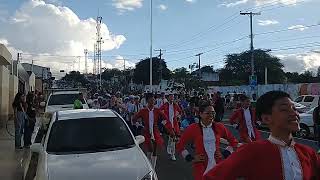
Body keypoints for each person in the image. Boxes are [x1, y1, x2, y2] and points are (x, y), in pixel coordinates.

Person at [204, 91, 320, 180]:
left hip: (254, 133)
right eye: (284, 109)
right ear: (266, 118)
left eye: (294, 108)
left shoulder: (309, 154)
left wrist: (256, 124)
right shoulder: (251, 151)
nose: (294, 113)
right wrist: (238, 127)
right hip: (245, 133)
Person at [176, 101, 239, 180]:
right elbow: (180, 144)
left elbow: (233, 141)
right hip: (201, 166)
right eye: (208, 113)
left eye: (213, 113)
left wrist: (225, 153)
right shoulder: (193, 128)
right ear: (201, 114)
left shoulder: (219, 127)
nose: (211, 115)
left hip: (218, 165)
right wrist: (190, 158)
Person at [132, 93, 175, 169]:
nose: (153, 101)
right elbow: (134, 119)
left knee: (154, 150)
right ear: (147, 100)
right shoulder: (143, 110)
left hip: (155, 132)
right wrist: (138, 124)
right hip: (146, 131)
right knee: (150, 149)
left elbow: (165, 119)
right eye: (151, 99)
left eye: (154, 99)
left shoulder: (157, 110)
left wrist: (167, 128)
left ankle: (153, 168)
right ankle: (148, 164)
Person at [159, 93, 182, 161]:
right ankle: (171, 151)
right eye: (171, 97)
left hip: (174, 123)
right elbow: (159, 111)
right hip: (168, 124)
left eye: (173, 97)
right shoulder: (165, 105)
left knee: (173, 137)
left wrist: (178, 117)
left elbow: (180, 112)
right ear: (168, 98)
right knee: (172, 137)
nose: (172, 98)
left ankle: (172, 153)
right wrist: (163, 120)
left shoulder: (175, 105)